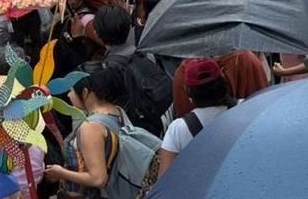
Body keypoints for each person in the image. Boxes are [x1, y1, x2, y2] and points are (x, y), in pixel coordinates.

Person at [46, 67, 156, 197]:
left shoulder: (91, 127)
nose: (69, 95)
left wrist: (60, 172)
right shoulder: (117, 111)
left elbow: (98, 179)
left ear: (86, 92)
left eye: (71, 91)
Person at [158, 58, 237, 177]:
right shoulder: (247, 108)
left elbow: (163, 180)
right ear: (223, 81)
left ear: (189, 92)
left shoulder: (178, 130)